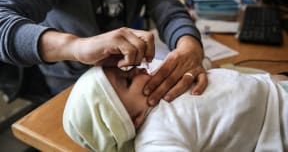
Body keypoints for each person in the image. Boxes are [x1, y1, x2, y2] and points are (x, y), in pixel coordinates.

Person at [0, 0, 207, 105]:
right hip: (69, 82)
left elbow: (167, 8)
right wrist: (76, 47)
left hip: (125, 74)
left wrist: (189, 44)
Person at [62, 59, 288, 152]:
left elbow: (199, 64)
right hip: (274, 125)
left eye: (126, 69)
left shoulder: (155, 77)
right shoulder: (156, 136)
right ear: (132, 119)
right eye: (128, 80)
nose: (137, 69)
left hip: (270, 88)